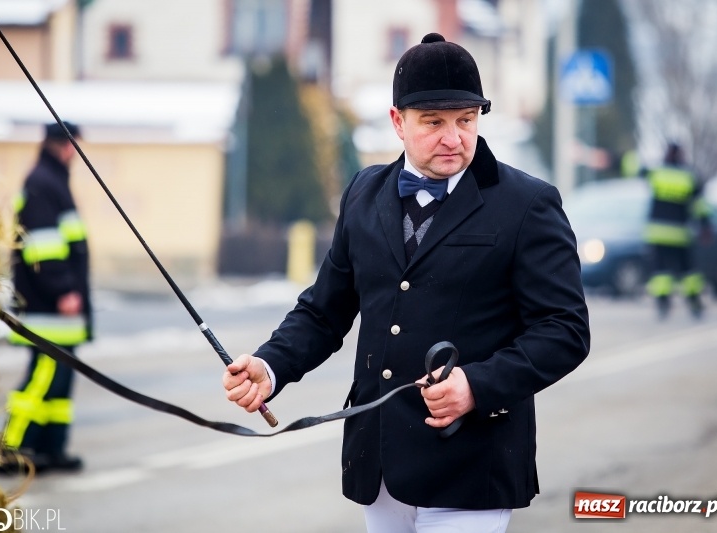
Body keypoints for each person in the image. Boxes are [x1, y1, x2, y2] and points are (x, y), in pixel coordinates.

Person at [223, 33, 590, 532]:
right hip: (378, 463)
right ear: (398, 122)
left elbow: (565, 329)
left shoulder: (528, 204)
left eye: (466, 120)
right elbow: (324, 310)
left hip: (472, 463)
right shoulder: (363, 192)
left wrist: (476, 386)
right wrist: (270, 366)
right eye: (433, 122)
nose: (453, 138)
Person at [0, 121, 91, 475]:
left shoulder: (52, 181)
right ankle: (13, 449)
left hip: (57, 313)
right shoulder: (43, 183)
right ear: (65, 145)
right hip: (48, 308)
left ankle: (52, 448)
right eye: (75, 145)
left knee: (59, 384)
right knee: (42, 379)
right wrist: (63, 289)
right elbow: (44, 245)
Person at [643, 142, 711, 319]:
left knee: (660, 271)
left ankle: (663, 304)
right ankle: (694, 303)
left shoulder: (657, 173)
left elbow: (636, 168)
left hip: (657, 233)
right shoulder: (688, 176)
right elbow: (700, 205)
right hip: (680, 234)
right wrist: (705, 226)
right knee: (688, 272)